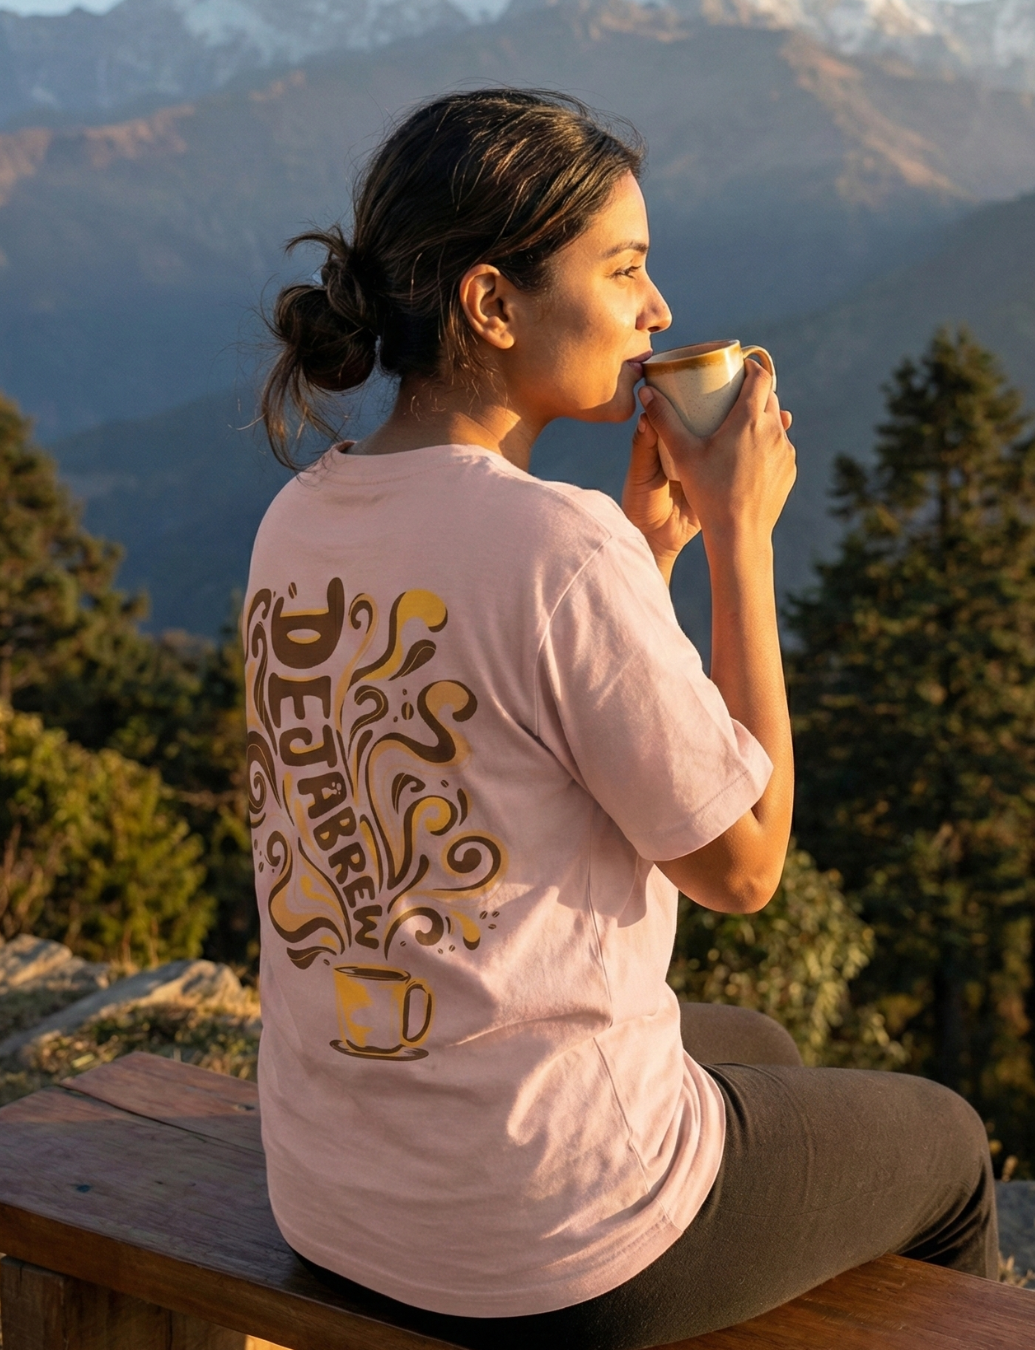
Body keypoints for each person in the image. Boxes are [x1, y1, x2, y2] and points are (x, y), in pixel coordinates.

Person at [244, 88, 996, 1349]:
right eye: (625, 267)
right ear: (493, 304)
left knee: (756, 1045)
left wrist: (650, 559)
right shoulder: (557, 545)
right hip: (546, 1240)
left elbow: (508, 713)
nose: (657, 308)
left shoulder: (300, 518)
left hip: (339, 1198)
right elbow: (743, 868)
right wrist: (741, 540)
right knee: (955, 1148)